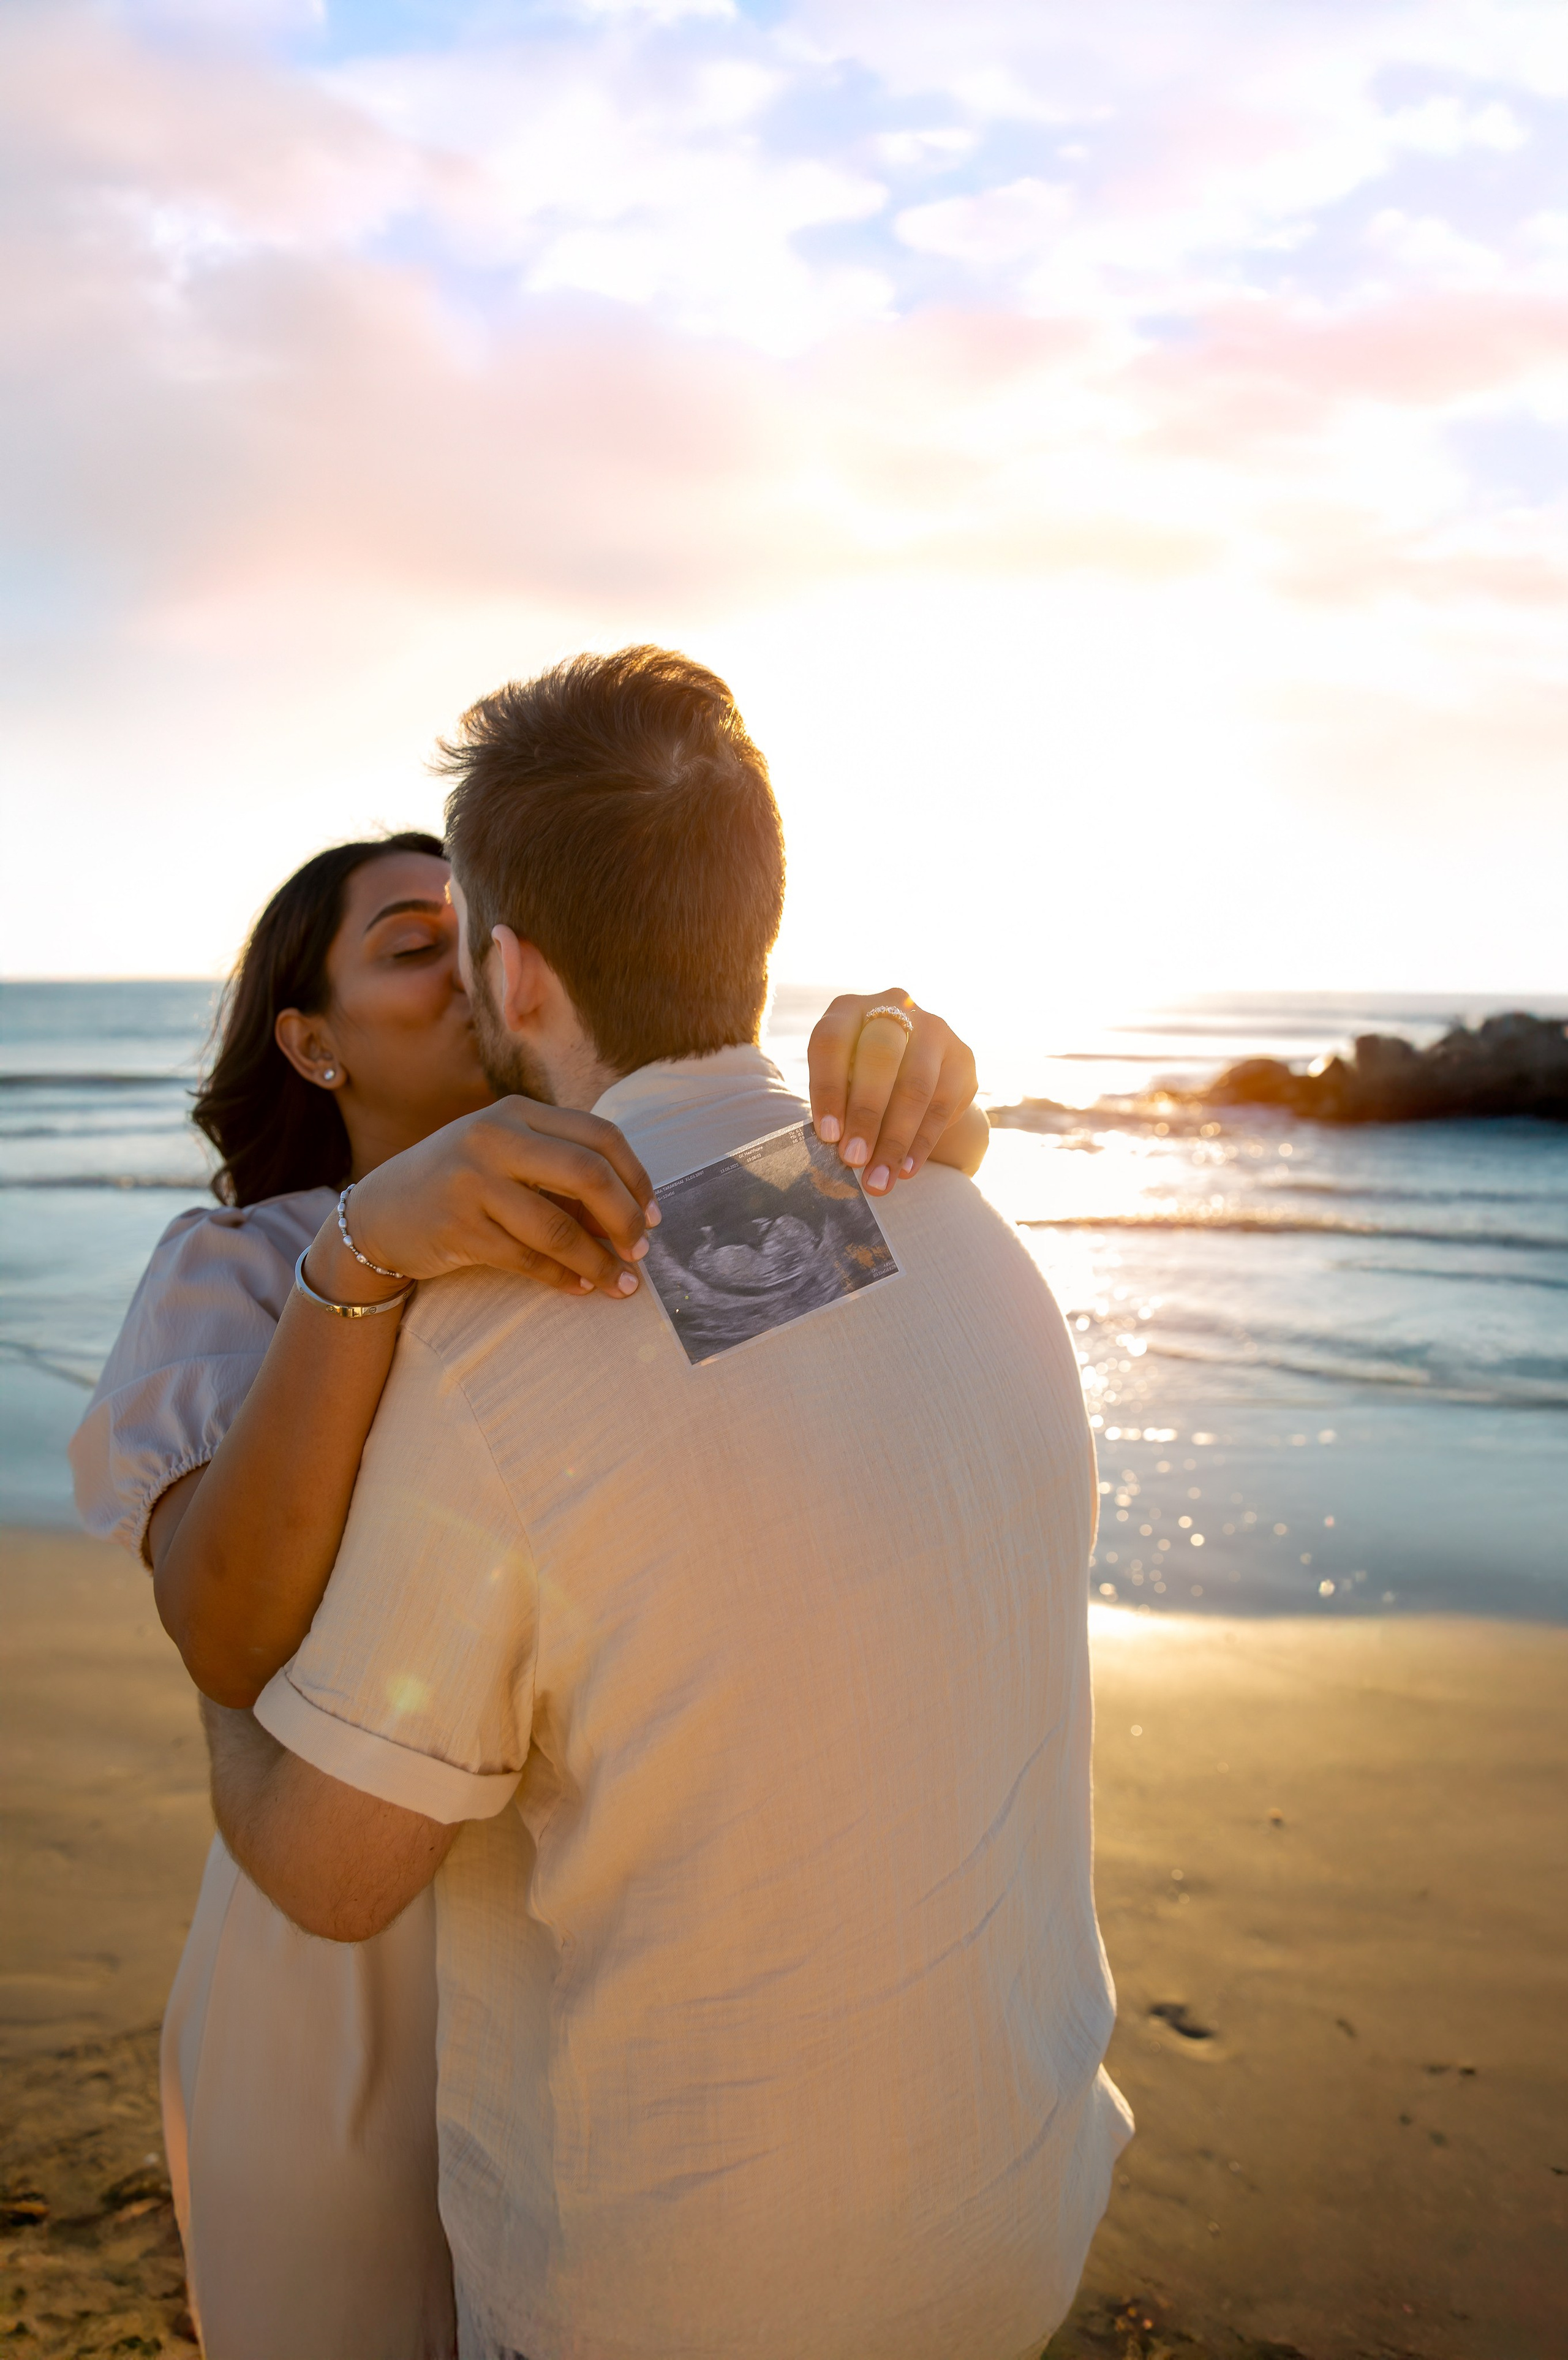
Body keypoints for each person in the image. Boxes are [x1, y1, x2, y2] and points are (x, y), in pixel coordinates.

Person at [210, 646, 1133, 2360]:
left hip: (686, 2303)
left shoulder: (505, 1345)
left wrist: (227, 1667)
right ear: (750, 920)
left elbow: (332, 1876)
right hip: (1017, 2213)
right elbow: (722, 1371)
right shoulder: (938, 1211)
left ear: (516, 968)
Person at [70, 824, 988, 2360]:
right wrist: (369, 1246)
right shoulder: (238, 1269)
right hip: (339, 1969)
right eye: (408, 946)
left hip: (586, 1948)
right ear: (312, 1042)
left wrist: (903, 1111)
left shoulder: (634, 1224)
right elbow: (224, 1635)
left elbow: (839, 1362)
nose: (465, 967)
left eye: (471, 932)